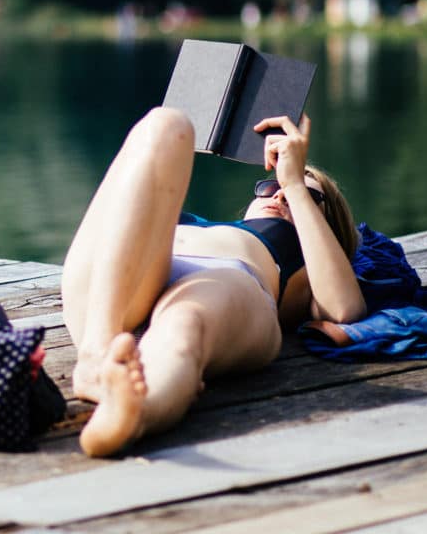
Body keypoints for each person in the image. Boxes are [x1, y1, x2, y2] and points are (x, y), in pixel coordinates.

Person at [61, 108, 366, 457]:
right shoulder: (202, 222)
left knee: (185, 323)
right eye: (271, 186)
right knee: (168, 123)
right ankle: (95, 354)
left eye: (310, 197)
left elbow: (344, 309)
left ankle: (131, 415)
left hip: (226, 282)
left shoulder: (308, 260)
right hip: (116, 294)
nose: (278, 195)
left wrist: (297, 183)